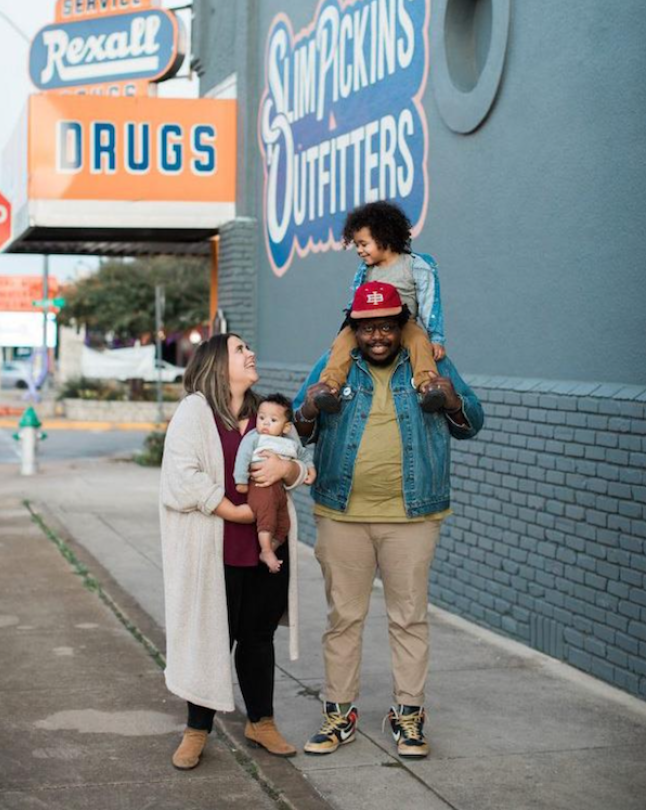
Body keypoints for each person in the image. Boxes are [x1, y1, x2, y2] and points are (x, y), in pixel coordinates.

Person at [293, 282, 483, 759]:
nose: (376, 336)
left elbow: (474, 420)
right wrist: (312, 406)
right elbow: (299, 420)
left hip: (412, 516)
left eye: (385, 326)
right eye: (366, 327)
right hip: (342, 513)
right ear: (353, 330)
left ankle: (409, 715)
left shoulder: (429, 362)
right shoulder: (335, 364)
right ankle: (340, 714)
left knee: (409, 618)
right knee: (344, 619)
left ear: (400, 327)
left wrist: (452, 400)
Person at [160, 334, 306, 771]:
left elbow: (301, 461)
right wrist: (235, 513)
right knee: (210, 636)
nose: (250, 353)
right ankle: (196, 729)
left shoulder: (268, 411)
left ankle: (261, 722)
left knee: (258, 638)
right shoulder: (195, 412)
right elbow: (181, 478)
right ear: (217, 364)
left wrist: (290, 469)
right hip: (215, 548)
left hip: (266, 548)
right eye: (240, 350)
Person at [313, 200, 448, 415]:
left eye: (363, 244)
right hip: (364, 323)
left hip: (401, 323)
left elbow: (430, 301)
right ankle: (330, 387)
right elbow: (354, 304)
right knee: (340, 343)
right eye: (356, 244)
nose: (359, 250)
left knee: (418, 341)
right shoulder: (365, 271)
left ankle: (427, 386)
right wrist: (346, 330)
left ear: (384, 237)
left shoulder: (414, 265)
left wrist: (436, 336)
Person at [234, 393, 316, 572]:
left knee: (284, 524)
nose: (264, 423)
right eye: (261, 418)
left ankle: (270, 547)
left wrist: (309, 467)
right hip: (260, 486)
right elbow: (243, 456)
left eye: (272, 420)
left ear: (286, 427)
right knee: (267, 518)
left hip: (279, 490)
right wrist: (240, 479)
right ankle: (265, 549)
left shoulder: (289, 442)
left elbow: (303, 454)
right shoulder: (254, 437)